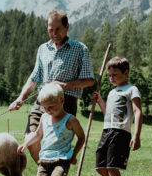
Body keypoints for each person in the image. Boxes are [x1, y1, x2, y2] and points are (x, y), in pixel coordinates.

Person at [8, 10, 95, 164]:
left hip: (64, 102)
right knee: (30, 139)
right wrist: (20, 98)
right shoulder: (43, 49)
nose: (54, 34)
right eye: (50, 30)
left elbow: (89, 80)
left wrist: (65, 85)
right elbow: (34, 78)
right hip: (41, 100)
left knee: (56, 145)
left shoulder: (80, 49)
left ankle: (53, 173)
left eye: (58, 29)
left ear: (67, 27)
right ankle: (45, 172)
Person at [17, 83, 85, 176]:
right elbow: (37, 134)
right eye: (45, 107)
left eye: (51, 107)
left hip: (61, 159)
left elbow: (81, 137)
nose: (48, 110)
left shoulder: (70, 120)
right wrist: (25, 144)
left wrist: (74, 154)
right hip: (44, 160)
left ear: (62, 100)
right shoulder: (44, 118)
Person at [90, 56, 142, 176]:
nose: (111, 78)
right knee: (100, 167)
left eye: (115, 75)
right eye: (109, 75)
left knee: (112, 167)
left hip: (121, 132)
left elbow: (138, 112)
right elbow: (108, 114)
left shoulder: (132, 89)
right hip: (107, 131)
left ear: (126, 73)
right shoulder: (112, 92)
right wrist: (100, 101)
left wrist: (136, 135)